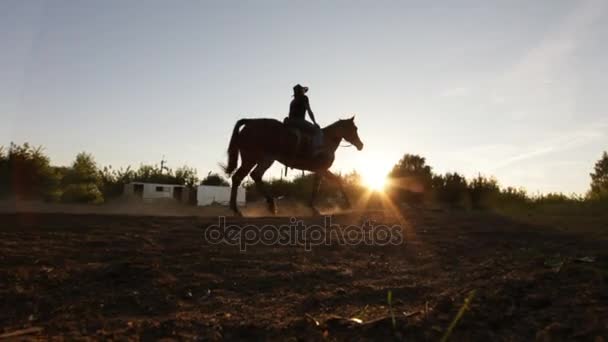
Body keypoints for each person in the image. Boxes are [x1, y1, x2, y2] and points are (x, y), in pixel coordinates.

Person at [286, 84, 323, 155]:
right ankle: (316, 151)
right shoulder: (304, 98)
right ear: (301, 91)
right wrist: (314, 122)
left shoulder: (292, 101)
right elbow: (309, 110)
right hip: (298, 121)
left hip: (290, 122)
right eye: (303, 90)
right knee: (317, 131)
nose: (304, 92)